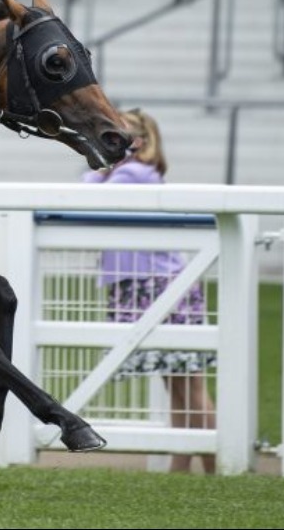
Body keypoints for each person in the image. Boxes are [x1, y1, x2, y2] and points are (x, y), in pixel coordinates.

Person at [84, 108, 217, 474]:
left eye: (117, 136)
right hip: (153, 286)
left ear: (138, 142)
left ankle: (213, 465)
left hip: (156, 287)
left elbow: (86, 197)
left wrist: (102, 167)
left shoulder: (132, 174)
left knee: (188, 386)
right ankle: (185, 465)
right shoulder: (137, 173)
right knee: (179, 385)